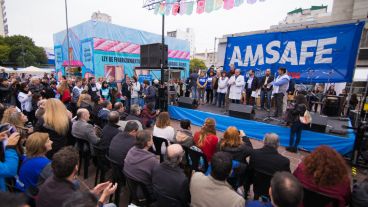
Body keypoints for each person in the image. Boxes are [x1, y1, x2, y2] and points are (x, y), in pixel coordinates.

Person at [37, 146, 117, 207]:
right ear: (76, 167)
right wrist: (104, 195)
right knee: (112, 205)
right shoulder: (72, 198)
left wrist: (94, 192)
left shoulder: (48, 181)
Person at [123, 130, 159, 197]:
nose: (153, 141)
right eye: (151, 139)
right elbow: (157, 179)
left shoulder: (131, 150)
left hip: (131, 187)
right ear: (148, 143)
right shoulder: (153, 160)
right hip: (146, 193)